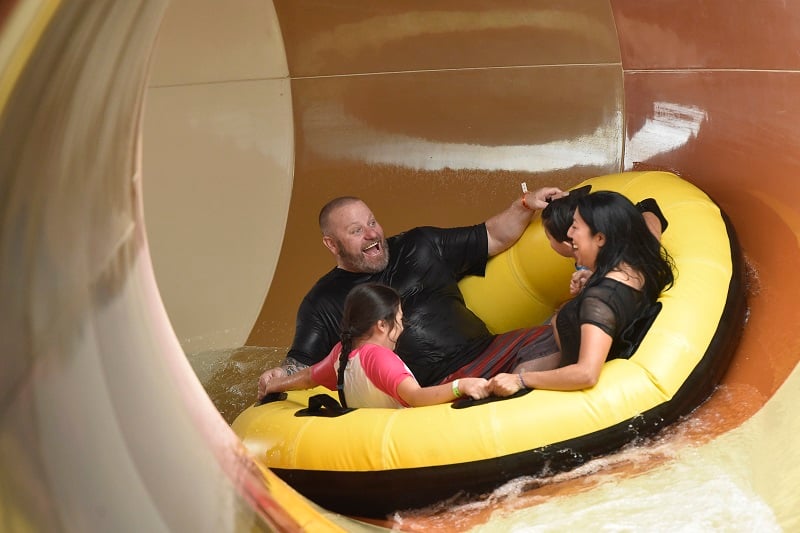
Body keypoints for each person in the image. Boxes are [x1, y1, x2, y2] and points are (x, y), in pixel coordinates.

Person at [257, 184, 564, 400]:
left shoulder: (420, 245)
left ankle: (517, 398)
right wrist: (278, 375)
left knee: (556, 334)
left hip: (487, 351)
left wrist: (525, 204)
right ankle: (496, 406)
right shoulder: (323, 301)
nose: (372, 234)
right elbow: (304, 363)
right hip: (432, 388)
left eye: (372, 222)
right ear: (331, 244)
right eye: (356, 231)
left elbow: (493, 236)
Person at [489, 191, 675, 395]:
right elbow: (650, 210)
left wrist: (521, 379)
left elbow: (586, 373)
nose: (569, 233)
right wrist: (595, 277)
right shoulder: (640, 265)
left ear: (600, 238)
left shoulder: (600, 300)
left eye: (575, 227)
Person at [258, 282, 490, 408]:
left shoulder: (342, 353)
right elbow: (416, 397)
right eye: (399, 319)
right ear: (381, 325)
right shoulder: (378, 358)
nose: (402, 326)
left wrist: (275, 385)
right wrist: (461, 386)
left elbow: (309, 377)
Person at [541, 186, 669, 295]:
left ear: (570, 243)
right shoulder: (595, 261)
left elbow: (649, 207)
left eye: (549, 238)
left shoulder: (623, 271)